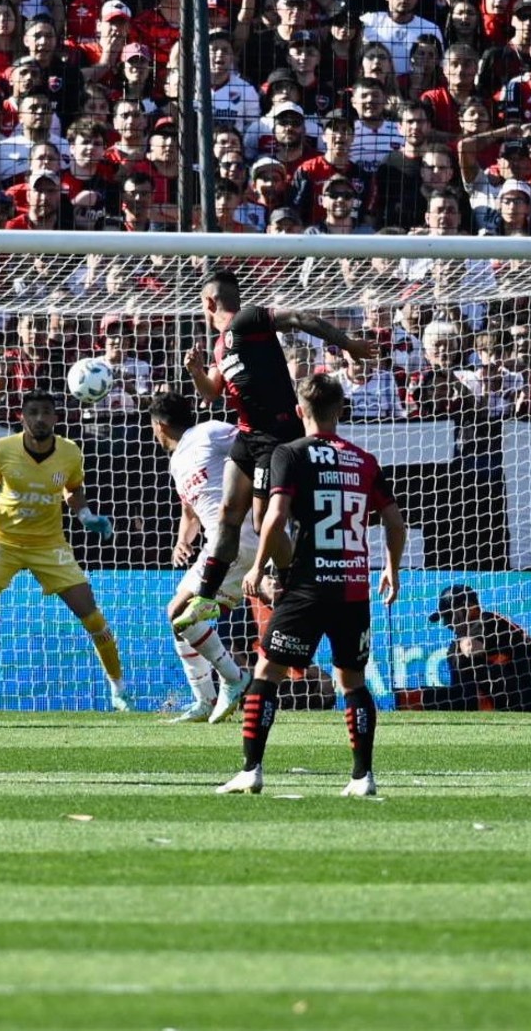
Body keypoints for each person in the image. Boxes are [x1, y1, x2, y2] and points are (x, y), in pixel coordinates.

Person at [218, 374, 407, 796]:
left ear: (300, 411)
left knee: (267, 672)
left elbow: (276, 517)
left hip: (307, 585)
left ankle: (251, 770)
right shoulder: (364, 459)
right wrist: (392, 568)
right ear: (341, 411)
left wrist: (259, 567)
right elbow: (394, 522)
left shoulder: (290, 453)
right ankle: (363, 777)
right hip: (353, 587)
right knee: (352, 681)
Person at [177, 268, 379, 633]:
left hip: (276, 434)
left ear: (209, 302)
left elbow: (302, 318)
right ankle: (206, 598)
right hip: (247, 434)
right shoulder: (221, 345)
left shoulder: (248, 318)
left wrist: (347, 344)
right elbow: (211, 394)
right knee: (227, 514)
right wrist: (195, 370)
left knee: (260, 522)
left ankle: (291, 584)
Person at [0, 388, 129, 712]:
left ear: (55, 417)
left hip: (49, 545)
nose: (40, 418)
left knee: (92, 615)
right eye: (33, 412)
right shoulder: (3, 450)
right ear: (22, 417)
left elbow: (74, 490)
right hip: (3, 543)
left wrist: (86, 516)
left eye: (45, 412)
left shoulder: (70, 453)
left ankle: (119, 690)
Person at [149, 391, 251, 723]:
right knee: (177, 614)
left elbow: (254, 443)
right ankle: (204, 699)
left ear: (160, 425)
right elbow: (190, 512)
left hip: (239, 539)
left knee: (183, 615)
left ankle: (234, 678)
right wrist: (182, 541)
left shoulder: (209, 431)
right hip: (216, 545)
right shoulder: (177, 462)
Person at [397, 584, 531, 712]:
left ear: (469, 608)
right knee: (454, 669)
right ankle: (407, 701)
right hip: (515, 694)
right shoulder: (483, 626)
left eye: (449, 616)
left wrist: (461, 645)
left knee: (457, 653)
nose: (446, 624)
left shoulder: (489, 621)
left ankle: (408, 701)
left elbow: (470, 648)